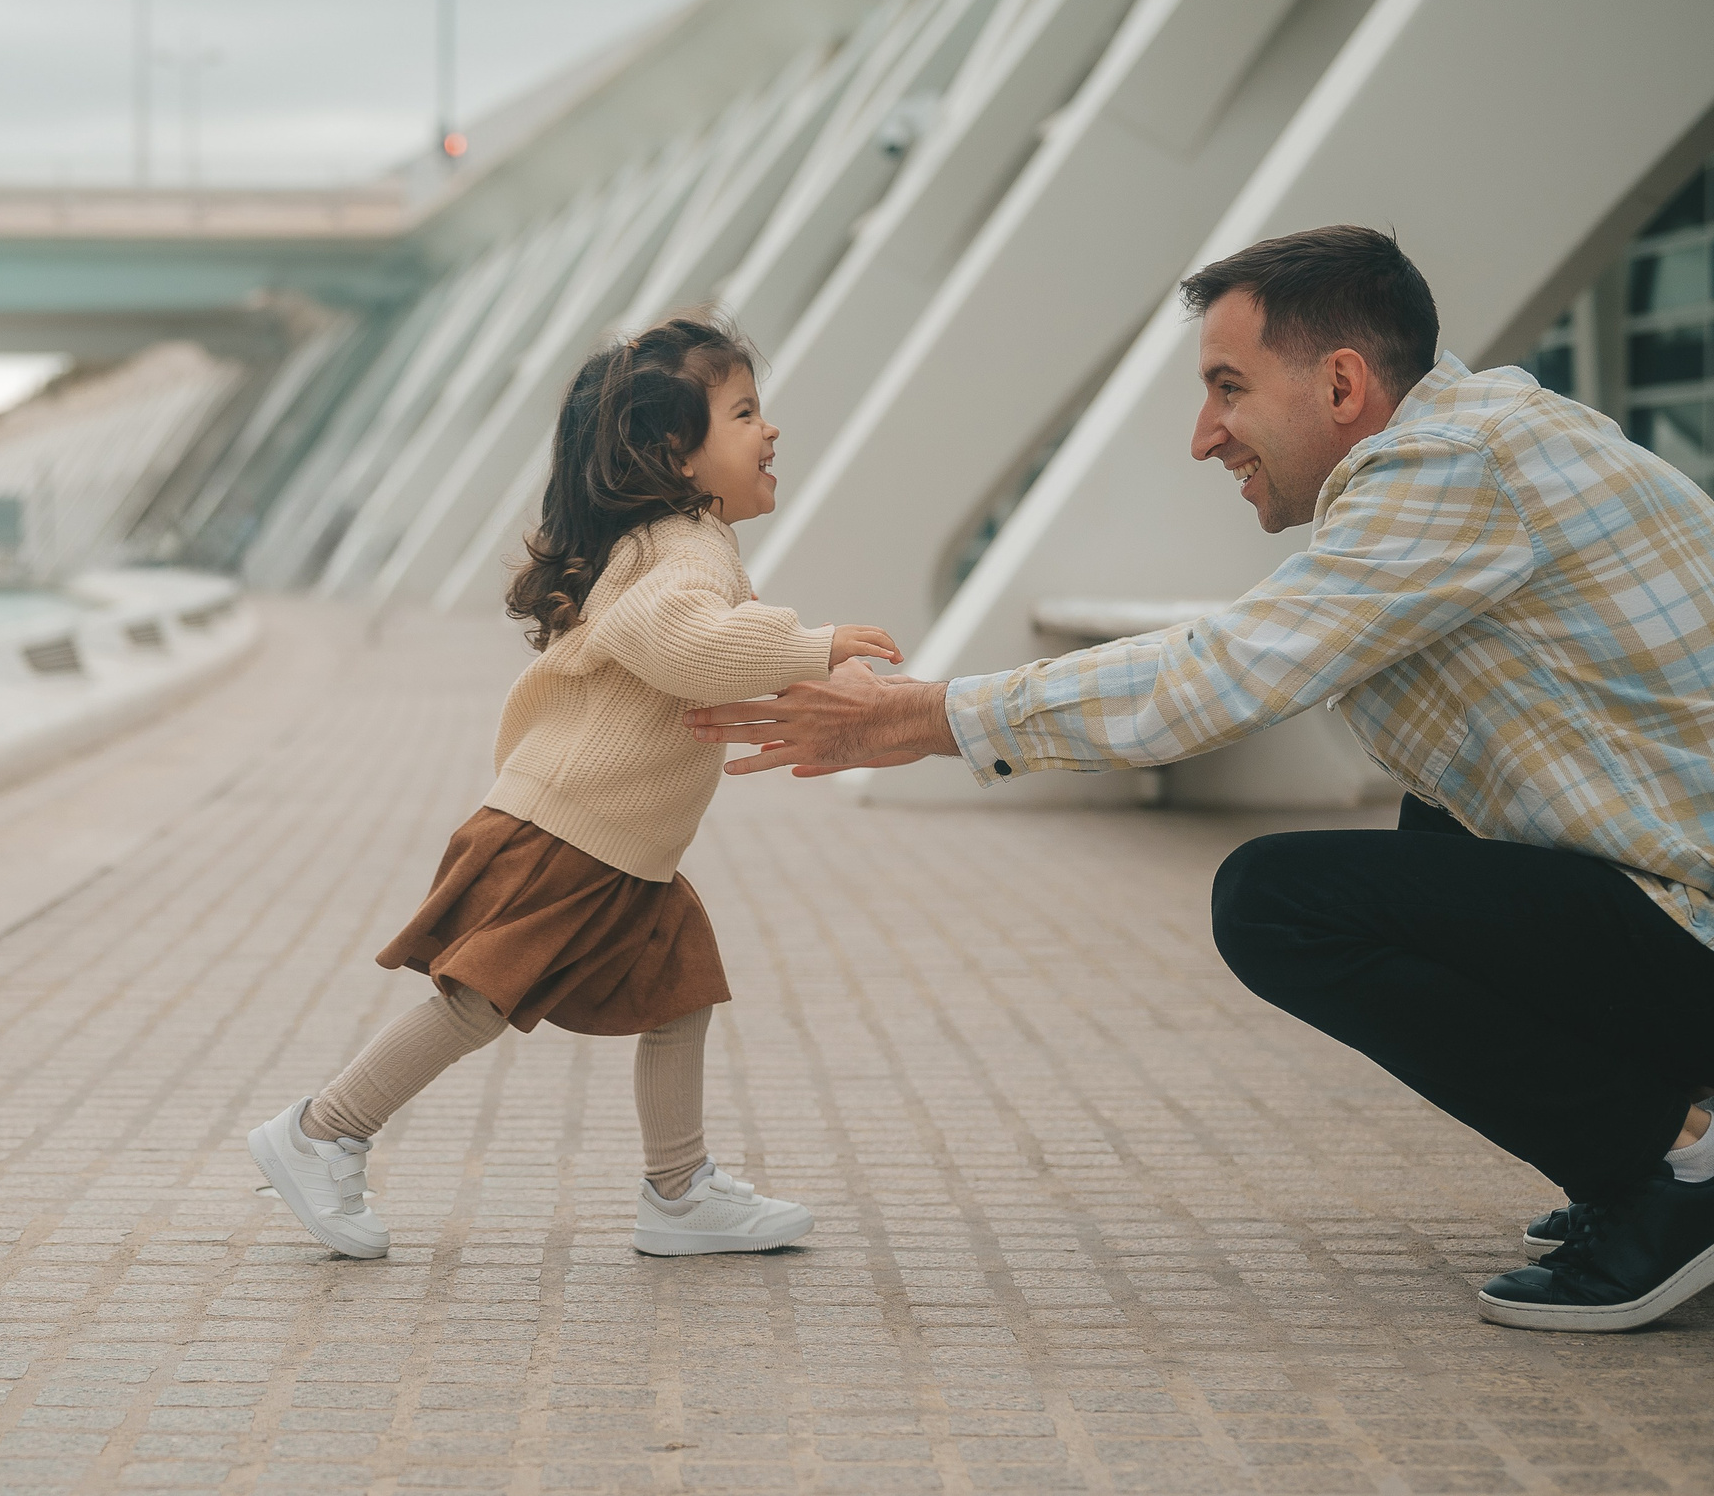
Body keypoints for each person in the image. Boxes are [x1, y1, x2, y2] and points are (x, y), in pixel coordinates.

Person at [685, 224, 1714, 1333]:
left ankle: (1659, 1185)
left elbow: (1220, 676)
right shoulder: (1486, 439)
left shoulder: (1454, 468)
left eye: (1227, 386)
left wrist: (933, 714)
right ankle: (1650, 1141)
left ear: (1341, 382)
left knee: (1279, 901)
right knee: (1440, 819)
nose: (1201, 435)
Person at [248, 314, 902, 1259]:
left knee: (680, 987)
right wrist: (816, 643)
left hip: (614, 840)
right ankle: (322, 1131)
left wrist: (799, 666)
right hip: (571, 831)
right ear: (676, 454)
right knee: (476, 1002)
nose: (771, 432)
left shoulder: (677, 539)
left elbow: (698, 648)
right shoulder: (683, 545)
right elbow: (679, 645)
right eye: (745, 413)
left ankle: (679, 1193)